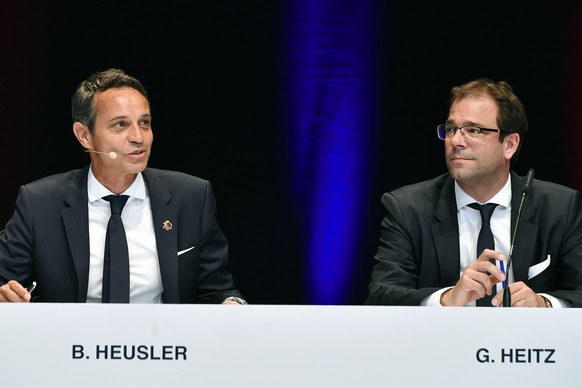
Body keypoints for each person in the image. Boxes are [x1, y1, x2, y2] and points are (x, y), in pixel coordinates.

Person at [0, 68, 246, 305]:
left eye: (145, 122)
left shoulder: (191, 197)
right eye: (120, 125)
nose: (138, 137)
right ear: (84, 135)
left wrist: (231, 302)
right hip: (73, 345)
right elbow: (6, 285)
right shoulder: (39, 203)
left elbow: (218, 290)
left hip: (161, 344)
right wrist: (6, 296)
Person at [366, 78, 582, 307]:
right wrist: (447, 299)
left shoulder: (560, 208)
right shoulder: (408, 209)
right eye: (451, 129)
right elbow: (381, 295)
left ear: (509, 144)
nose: (456, 141)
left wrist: (544, 304)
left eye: (473, 130)